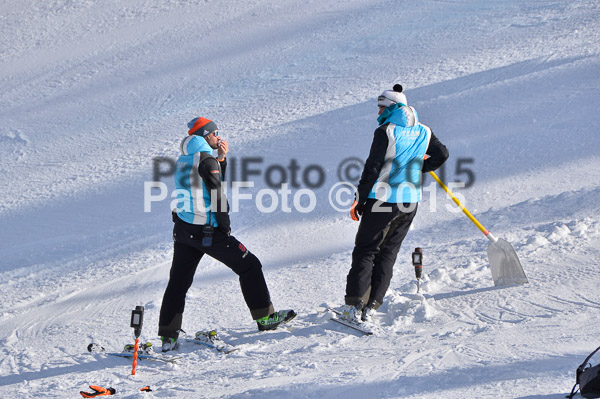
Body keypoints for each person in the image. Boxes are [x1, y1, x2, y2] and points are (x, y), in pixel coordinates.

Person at [158, 117, 296, 351]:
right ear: (204, 135)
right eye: (214, 133)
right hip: (207, 230)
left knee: (178, 283)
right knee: (250, 265)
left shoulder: (185, 158)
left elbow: (206, 181)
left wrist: (221, 159)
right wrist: (225, 228)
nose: (217, 137)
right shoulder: (206, 159)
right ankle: (265, 318)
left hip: (183, 228)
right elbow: (217, 195)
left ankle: (168, 336)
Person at [343, 84, 449, 327]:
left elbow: (372, 168)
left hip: (383, 200)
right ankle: (371, 306)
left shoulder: (386, 132)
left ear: (393, 107)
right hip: (410, 201)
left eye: (382, 107)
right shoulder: (424, 130)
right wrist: (419, 167)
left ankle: (354, 306)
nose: (378, 111)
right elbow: (442, 154)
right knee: (388, 252)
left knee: (366, 250)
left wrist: (359, 199)